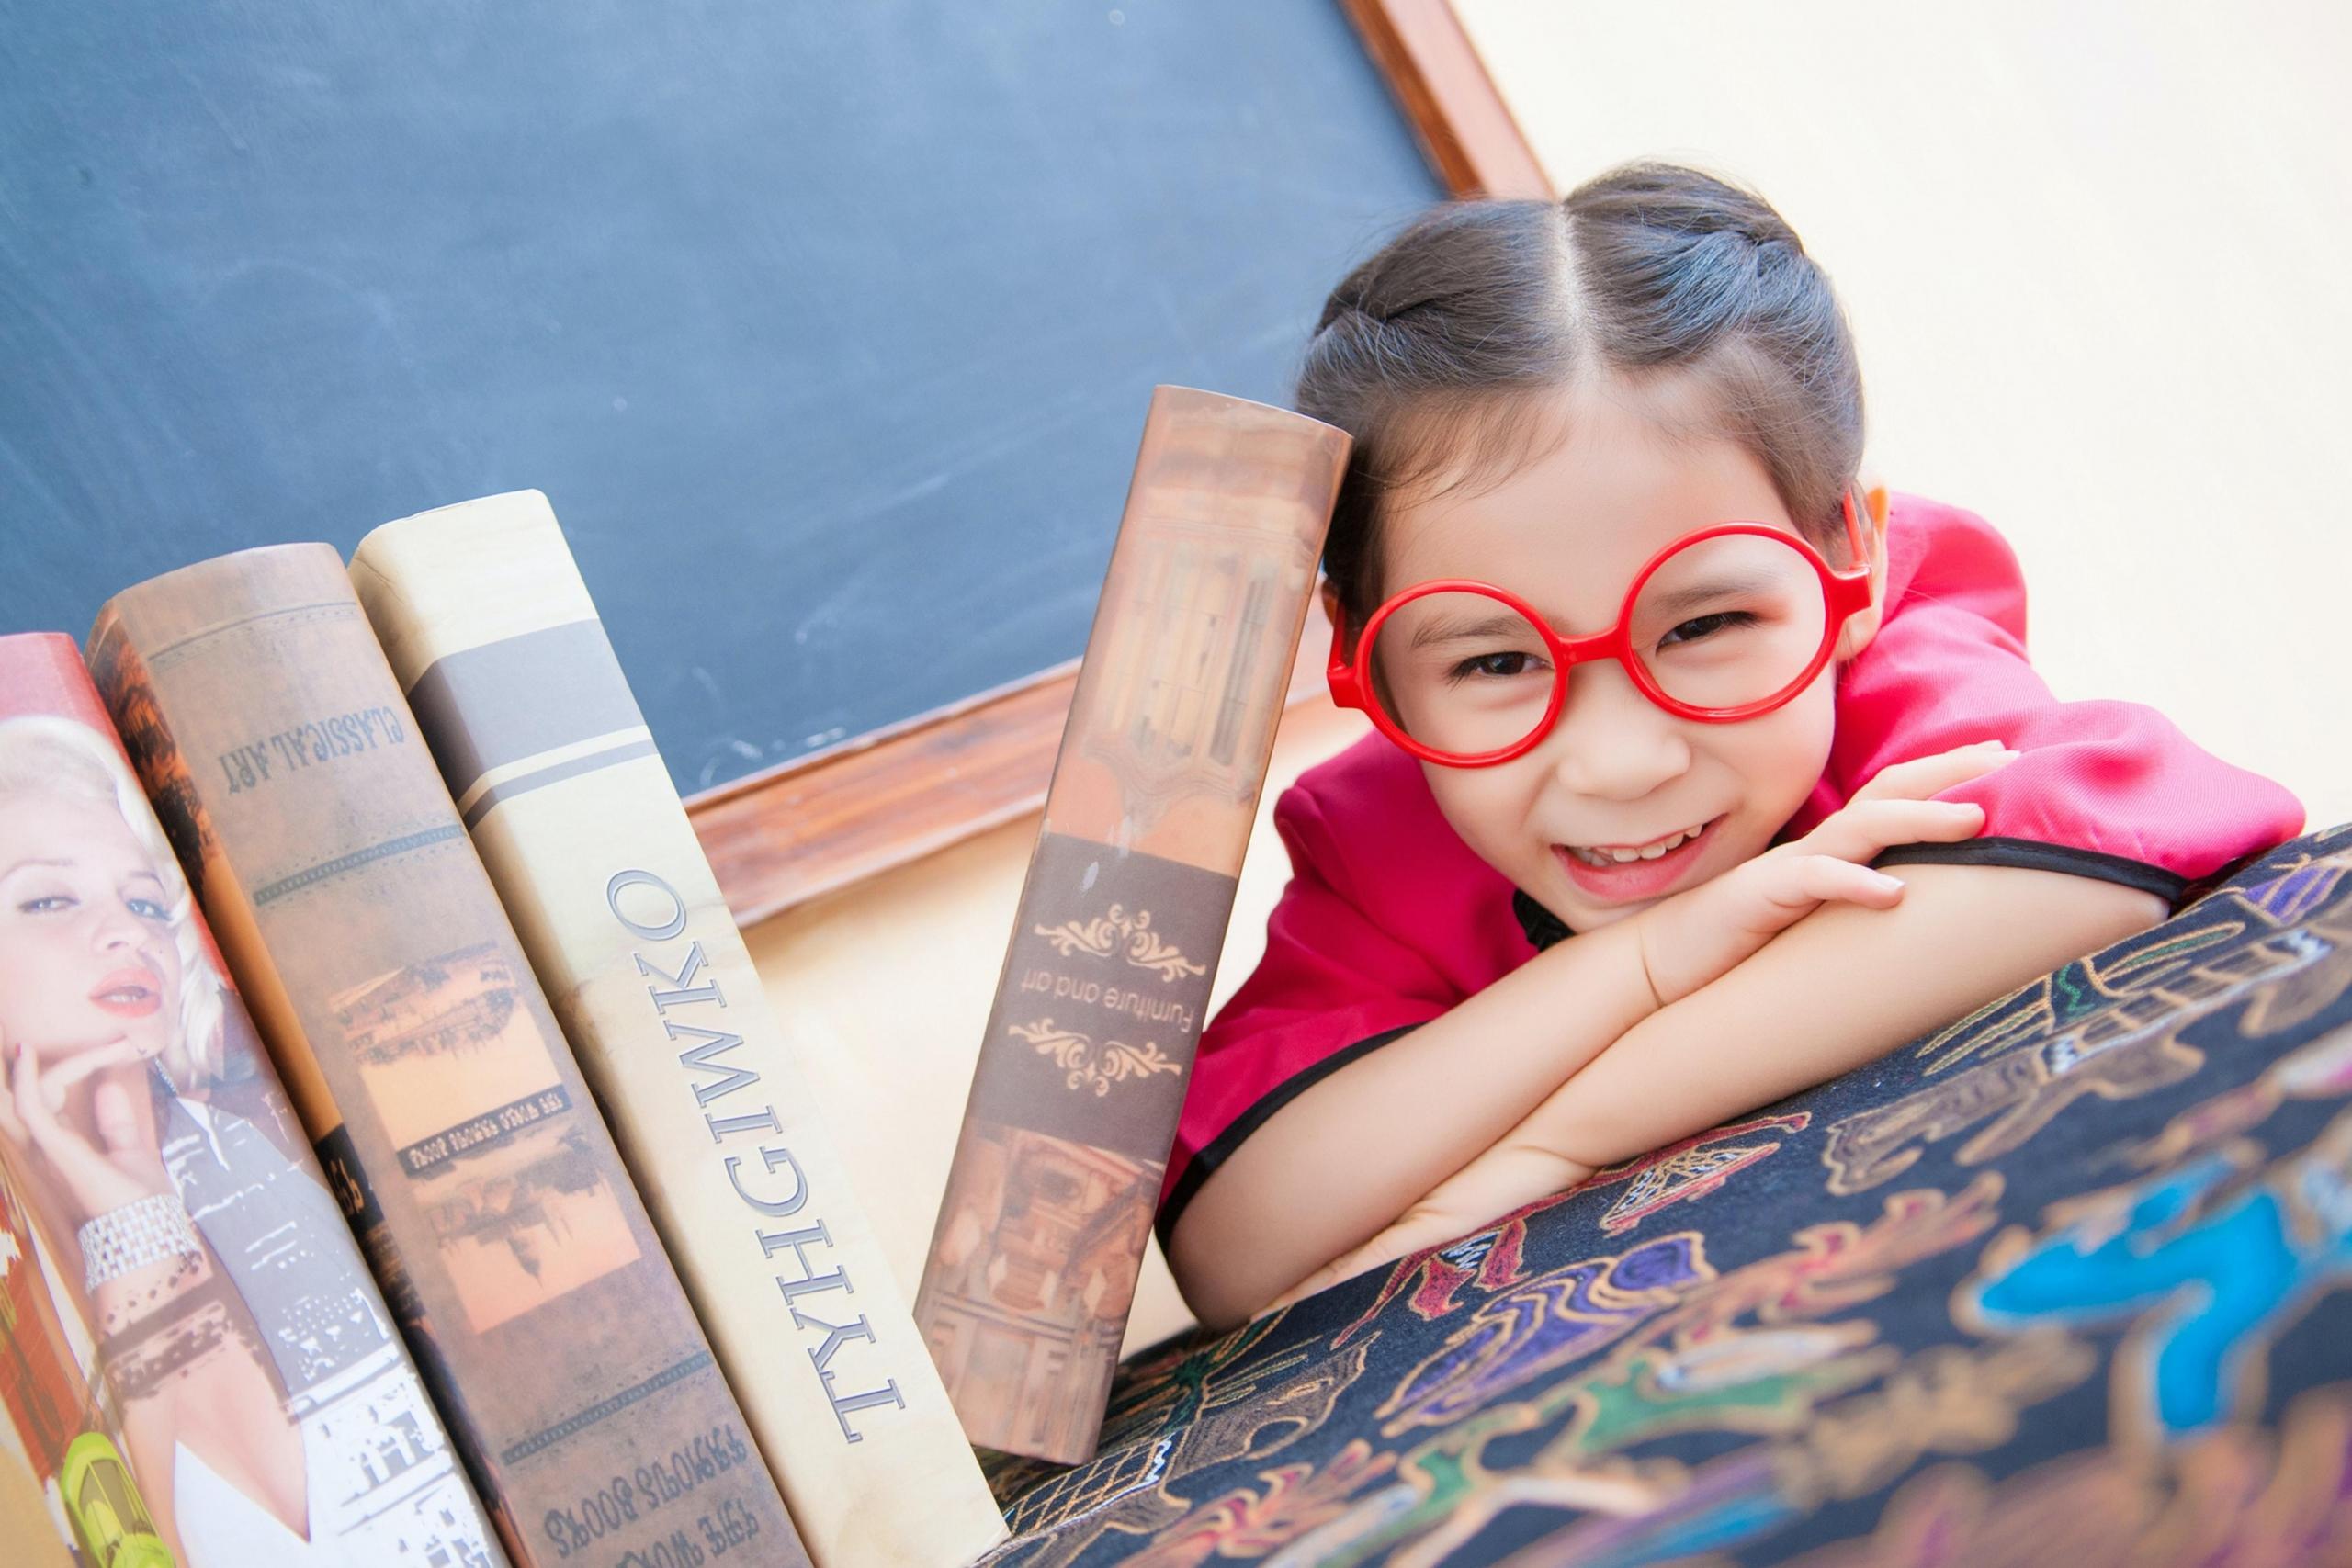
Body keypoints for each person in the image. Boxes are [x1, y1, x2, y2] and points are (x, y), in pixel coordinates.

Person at [1155, 163, 2305, 1331]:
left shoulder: (1881, 651)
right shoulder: (1375, 837)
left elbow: (2098, 862)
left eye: (1703, 625)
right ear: (1361, 658)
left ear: (1852, 554)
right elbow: (1237, 1242)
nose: (1620, 762)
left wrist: (1558, 1140)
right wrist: (1648, 959)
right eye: (1492, 662)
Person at [0, 714, 492, 1565]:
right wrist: (123, 1235)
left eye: (145, 901)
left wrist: (138, 1227)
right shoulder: (22, 1269)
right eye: (49, 898)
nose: (127, 931)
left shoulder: (267, 1146)